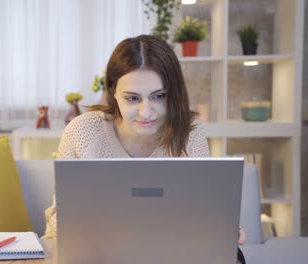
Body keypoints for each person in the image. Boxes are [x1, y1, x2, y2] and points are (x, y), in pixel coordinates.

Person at [43, 34, 246, 263]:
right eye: (132, 99)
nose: (146, 112)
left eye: (158, 96)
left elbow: (206, 208)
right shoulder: (82, 130)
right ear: (113, 93)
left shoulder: (189, 130)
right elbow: (58, 218)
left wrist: (223, 226)